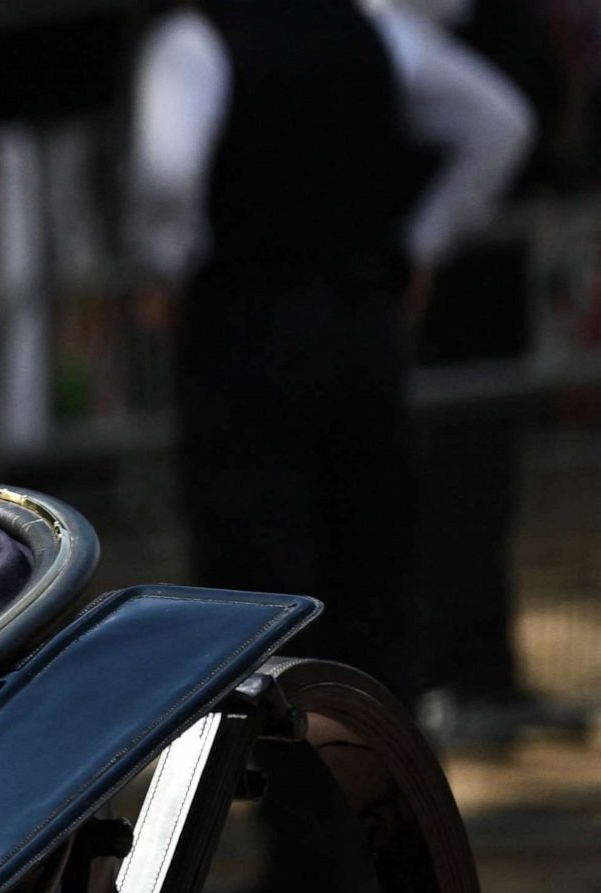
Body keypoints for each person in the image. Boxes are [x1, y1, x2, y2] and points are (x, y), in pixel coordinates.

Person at [126, 0, 534, 703]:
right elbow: (500, 124)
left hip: (241, 335)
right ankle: (375, 777)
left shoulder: (197, 39)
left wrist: (168, 267)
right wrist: (418, 247)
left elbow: (167, 173)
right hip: (361, 330)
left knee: (257, 577)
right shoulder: (376, 28)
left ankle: (289, 790)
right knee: (371, 563)